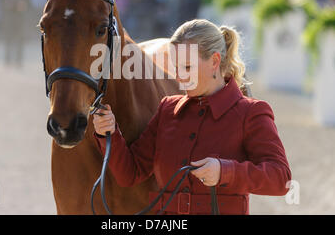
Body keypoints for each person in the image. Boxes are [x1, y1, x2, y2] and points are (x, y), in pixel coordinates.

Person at [93, 19, 291, 215]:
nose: (179, 77)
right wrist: (109, 133)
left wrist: (225, 171)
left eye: (187, 67)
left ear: (214, 61)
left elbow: (281, 179)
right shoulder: (167, 109)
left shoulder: (251, 112)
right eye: (176, 68)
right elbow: (131, 173)